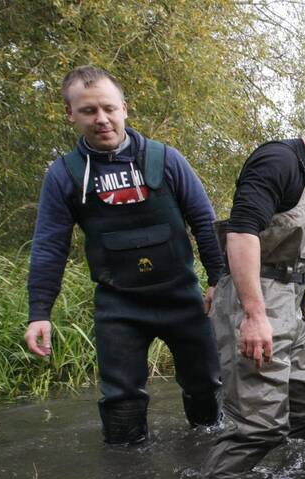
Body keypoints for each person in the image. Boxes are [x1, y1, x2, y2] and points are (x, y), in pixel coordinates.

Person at [25, 65, 224, 445]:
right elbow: (50, 244)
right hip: (119, 306)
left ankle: (208, 460)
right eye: (88, 111)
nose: (101, 119)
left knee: (206, 387)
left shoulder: (166, 159)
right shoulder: (64, 175)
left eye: (109, 108)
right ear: (71, 114)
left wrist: (218, 280)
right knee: (121, 401)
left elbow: (204, 221)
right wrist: (39, 313)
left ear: (124, 108)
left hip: (183, 298)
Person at [201, 94, 305, 479]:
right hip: (259, 297)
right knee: (257, 427)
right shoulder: (279, 161)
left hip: (296, 303)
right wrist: (253, 315)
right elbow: (242, 233)